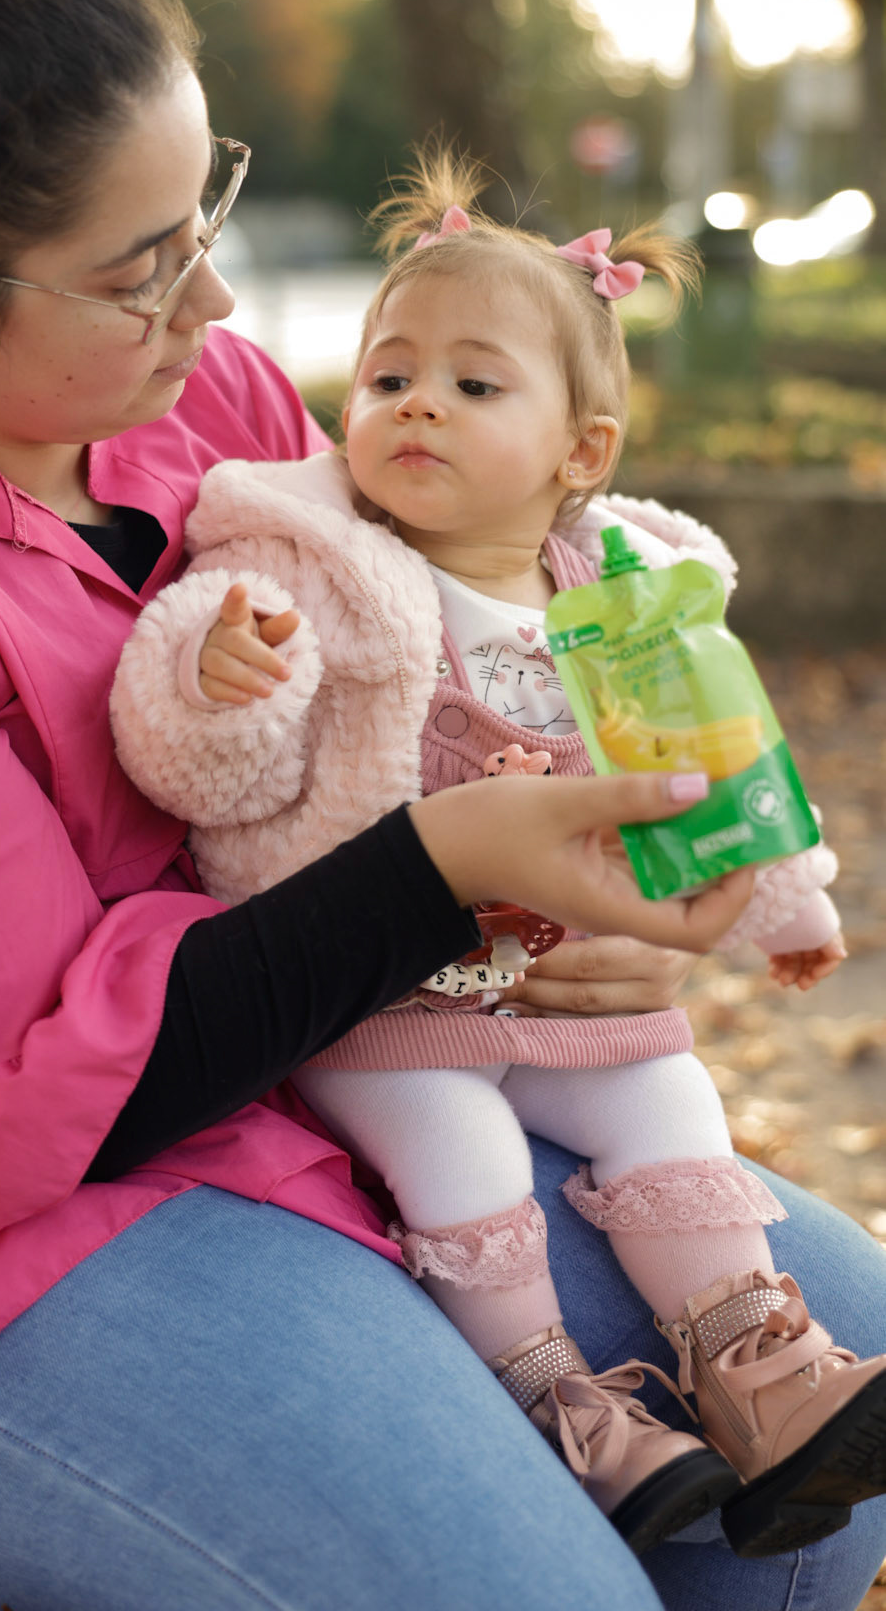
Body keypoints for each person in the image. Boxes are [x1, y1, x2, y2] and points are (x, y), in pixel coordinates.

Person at [0, 0, 886, 1611]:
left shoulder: (216, 408)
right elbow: (29, 1108)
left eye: (204, 216)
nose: (210, 297)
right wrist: (450, 880)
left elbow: (437, 680)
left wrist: (570, 917)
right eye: (141, 271)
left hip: (321, 1073)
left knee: (836, 1385)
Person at [111, 154, 886, 1558]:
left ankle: (759, 1369)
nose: (418, 404)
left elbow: (717, 769)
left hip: (570, 988)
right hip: (386, 1005)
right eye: (389, 375)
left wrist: (784, 907)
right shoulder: (309, 568)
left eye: (474, 385)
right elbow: (206, 778)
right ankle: (563, 1407)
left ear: (579, 453)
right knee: (463, 1158)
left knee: (671, 1106)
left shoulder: (627, 593)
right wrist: (223, 684)